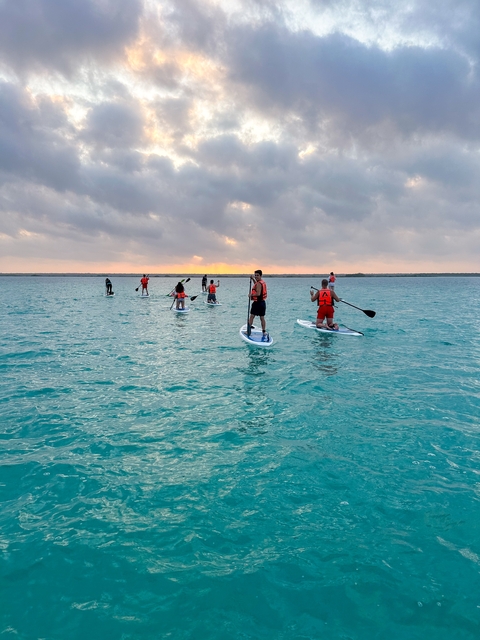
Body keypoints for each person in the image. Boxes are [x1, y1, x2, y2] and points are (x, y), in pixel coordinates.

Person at [248, 269, 269, 340]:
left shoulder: (259, 284)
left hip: (257, 303)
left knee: (252, 316)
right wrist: (253, 279)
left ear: (260, 276)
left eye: (257, 275)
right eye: (255, 275)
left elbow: (258, 293)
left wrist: (251, 295)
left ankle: (248, 330)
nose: (256, 276)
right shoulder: (260, 282)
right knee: (262, 317)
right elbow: (256, 285)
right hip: (262, 303)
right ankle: (264, 331)